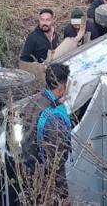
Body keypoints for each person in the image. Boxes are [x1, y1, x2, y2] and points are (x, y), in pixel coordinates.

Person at [21, 63, 72, 204]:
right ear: (62, 86)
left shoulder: (33, 102)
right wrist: (62, 194)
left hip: (29, 170)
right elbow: (56, 161)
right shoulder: (55, 118)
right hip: (47, 182)